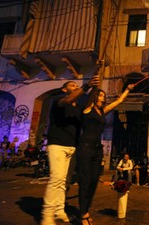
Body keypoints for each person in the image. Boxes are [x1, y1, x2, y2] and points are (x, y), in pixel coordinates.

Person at [41, 76, 99, 225]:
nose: (75, 87)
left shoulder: (78, 108)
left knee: (65, 182)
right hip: (57, 145)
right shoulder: (59, 101)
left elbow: (89, 103)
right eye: (72, 85)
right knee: (56, 179)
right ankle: (47, 214)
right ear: (64, 89)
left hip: (72, 146)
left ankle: (59, 209)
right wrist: (86, 86)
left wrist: (94, 88)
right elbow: (68, 100)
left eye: (76, 86)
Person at [77, 84, 134, 225]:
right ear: (95, 96)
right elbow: (89, 97)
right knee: (85, 181)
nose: (103, 98)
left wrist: (127, 89)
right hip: (85, 147)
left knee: (94, 180)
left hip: (97, 149)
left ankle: (86, 209)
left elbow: (118, 102)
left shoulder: (102, 112)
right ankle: (83, 213)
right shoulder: (87, 109)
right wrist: (94, 83)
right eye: (100, 95)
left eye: (104, 96)